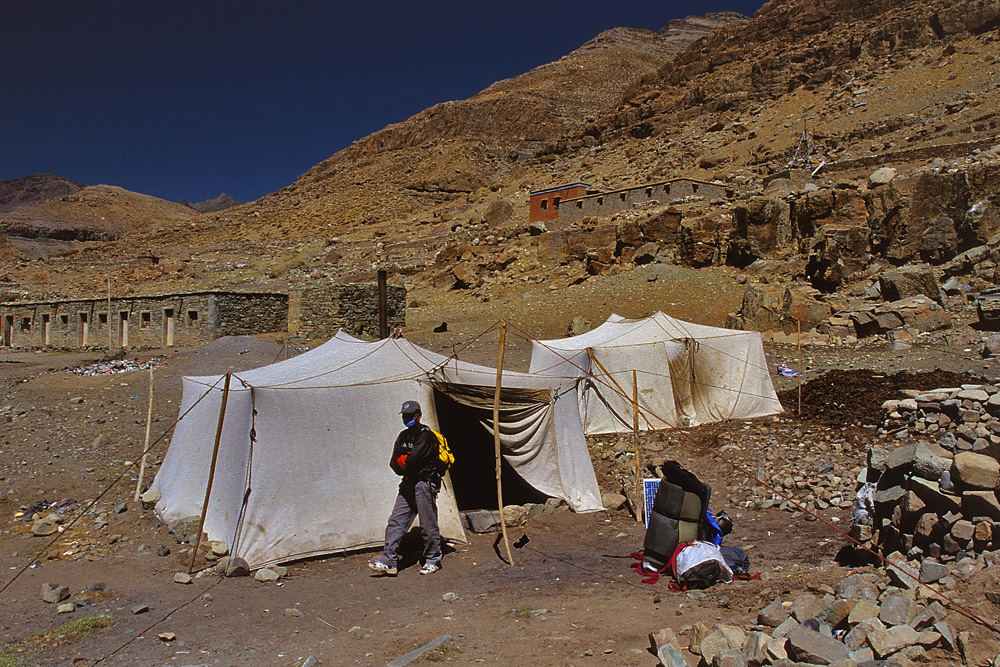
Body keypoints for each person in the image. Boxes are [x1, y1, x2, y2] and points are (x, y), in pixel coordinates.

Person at [369, 400, 443, 576]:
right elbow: (394, 464)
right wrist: (405, 461)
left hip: (425, 483)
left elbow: (412, 462)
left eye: (411, 415)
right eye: (405, 416)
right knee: (396, 520)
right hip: (408, 482)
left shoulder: (426, 435)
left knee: (427, 523)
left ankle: (433, 559)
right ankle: (388, 560)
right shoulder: (403, 436)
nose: (408, 418)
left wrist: (405, 459)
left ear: (419, 415)